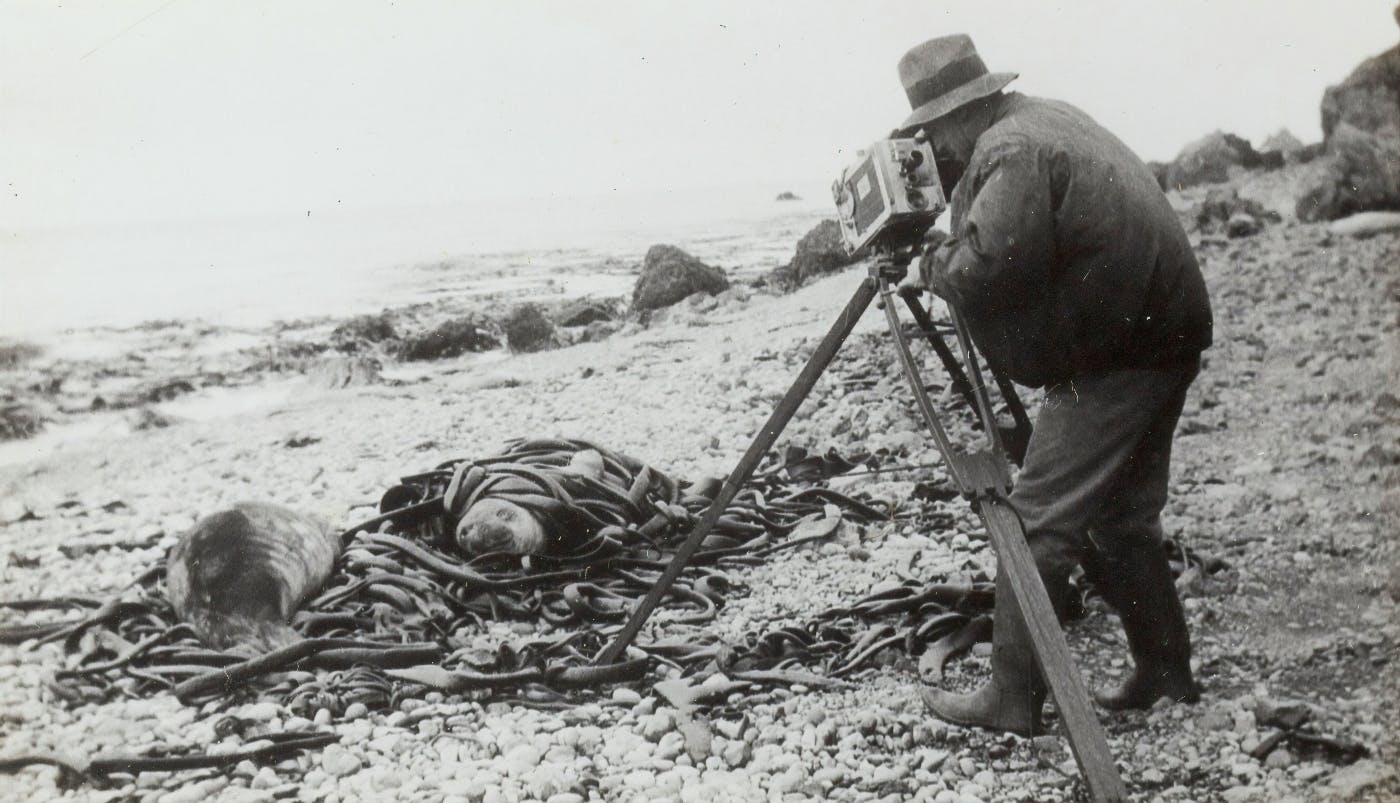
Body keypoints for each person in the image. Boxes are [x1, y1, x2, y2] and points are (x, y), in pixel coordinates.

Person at [893, 34, 1214, 736]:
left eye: (935, 132)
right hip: (1165, 332)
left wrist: (931, 266)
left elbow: (987, 262)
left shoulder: (1007, 149)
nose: (937, 148)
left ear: (958, 113)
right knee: (1124, 516)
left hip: (1120, 353)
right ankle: (1165, 669)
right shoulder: (1043, 118)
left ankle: (1011, 696)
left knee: (1036, 517)